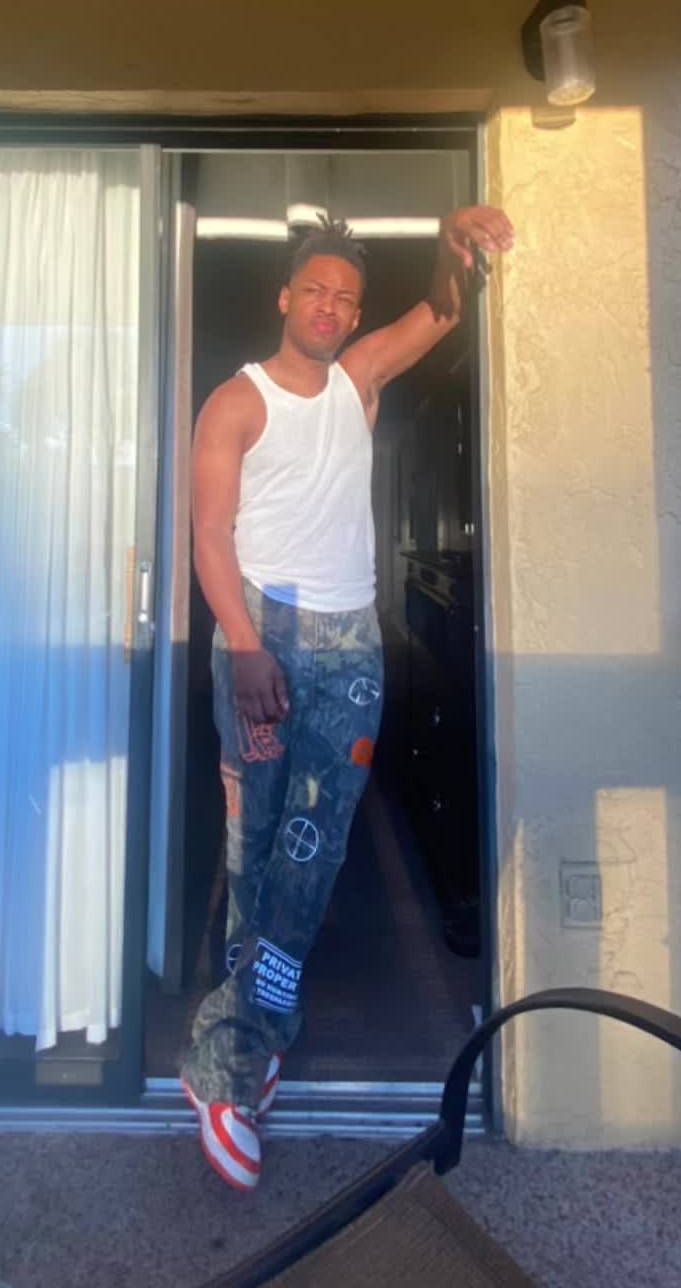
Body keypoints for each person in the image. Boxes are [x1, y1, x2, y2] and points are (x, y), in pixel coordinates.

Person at [180, 202, 514, 1189]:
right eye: (315, 291)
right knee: (254, 851)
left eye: (346, 298)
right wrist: (245, 646)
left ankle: (244, 1041)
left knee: (312, 852)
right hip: (262, 630)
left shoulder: (358, 378)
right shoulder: (234, 402)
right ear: (286, 298)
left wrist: (452, 248)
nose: (330, 307)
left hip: (351, 642)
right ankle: (236, 1061)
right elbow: (208, 536)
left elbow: (440, 314)